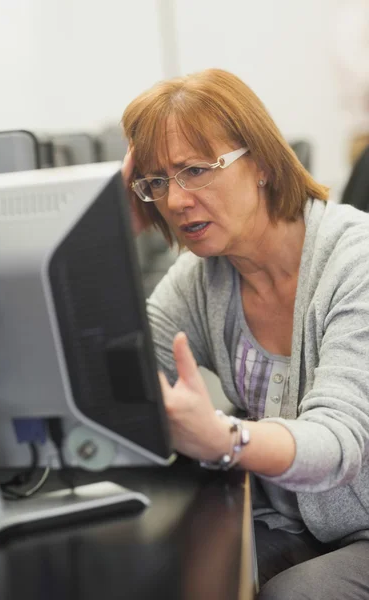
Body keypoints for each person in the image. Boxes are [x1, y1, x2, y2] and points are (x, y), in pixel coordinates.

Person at [121, 68, 369, 599]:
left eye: (194, 170)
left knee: (296, 594)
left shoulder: (356, 261)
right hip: (293, 519)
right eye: (157, 182)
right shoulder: (201, 277)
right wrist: (111, 233)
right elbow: (117, 385)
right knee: (169, 571)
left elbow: (336, 444)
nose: (176, 200)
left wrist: (225, 440)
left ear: (258, 164)